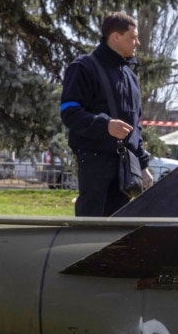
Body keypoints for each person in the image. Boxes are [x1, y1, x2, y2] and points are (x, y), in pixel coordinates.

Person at [60, 12, 153, 216]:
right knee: (90, 223)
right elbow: (69, 112)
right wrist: (105, 125)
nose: (137, 43)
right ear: (115, 37)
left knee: (118, 225)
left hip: (125, 165)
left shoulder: (130, 75)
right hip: (94, 158)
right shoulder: (83, 68)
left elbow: (135, 126)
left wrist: (143, 165)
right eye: (133, 37)